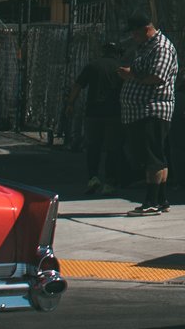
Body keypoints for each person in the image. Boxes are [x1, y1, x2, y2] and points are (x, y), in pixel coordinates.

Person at [117, 16, 178, 216]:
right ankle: (161, 199)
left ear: (146, 29)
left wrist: (131, 74)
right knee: (156, 156)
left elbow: (158, 76)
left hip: (152, 110)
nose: (133, 37)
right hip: (139, 111)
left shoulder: (161, 47)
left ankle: (151, 201)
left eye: (135, 32)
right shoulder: (145, 47)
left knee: (153, 158)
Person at [67, 36, 129, 197]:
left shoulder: (92, 66)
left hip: (93, 113)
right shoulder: (120, 68)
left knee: (93, 146)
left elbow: (78, 86)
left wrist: (70, 104)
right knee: (112, 148)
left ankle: (93, 177)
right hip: (114, 113)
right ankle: (109, 181)